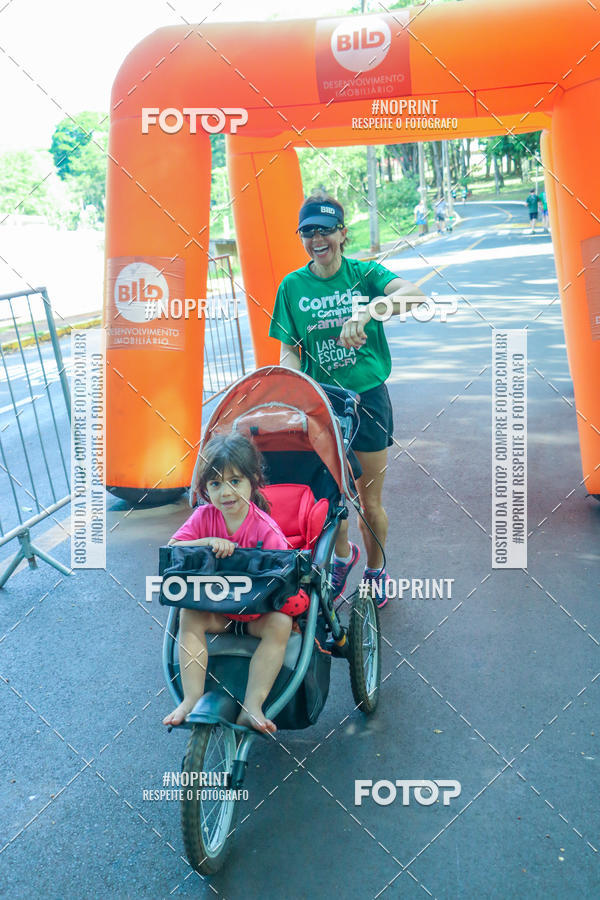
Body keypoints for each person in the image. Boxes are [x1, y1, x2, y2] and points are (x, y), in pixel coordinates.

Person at [268, 192, 428, 608]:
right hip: (319, 403)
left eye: (325, 230)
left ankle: (376, 572)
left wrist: (370, 311)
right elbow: (289, 349)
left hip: (367, 400)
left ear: (342, 233)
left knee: (367, 501)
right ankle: (342, 559)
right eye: (308, 232)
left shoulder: (363, 274)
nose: (317, 239)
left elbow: (416, 296)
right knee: (327, 497)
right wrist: (287, 388)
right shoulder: (291, 286)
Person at [162, 433, 309, 733]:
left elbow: (284, 574)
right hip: (217, 611)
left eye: (235, 481)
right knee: (188, 616)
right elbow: (175, 547)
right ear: (205, 490)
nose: (226, 492)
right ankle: (191, 698)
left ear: (253, 481)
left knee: (280, 625)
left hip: (256, 614)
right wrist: (207, 542)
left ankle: (253, 705)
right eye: (216, 484)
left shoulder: (266, 529)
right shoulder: (204, 517)